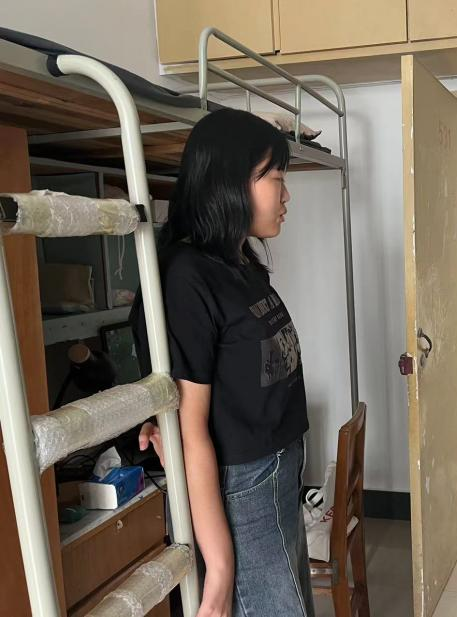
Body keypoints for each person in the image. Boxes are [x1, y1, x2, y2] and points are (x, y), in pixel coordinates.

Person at [130, 108, 314, 617]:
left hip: (276, 470)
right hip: (242, 488)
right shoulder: (186, 277)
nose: (286, 195)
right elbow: (189, 433)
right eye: (275, 179)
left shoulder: (237, 263)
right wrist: (220, 568)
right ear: (230, 184)